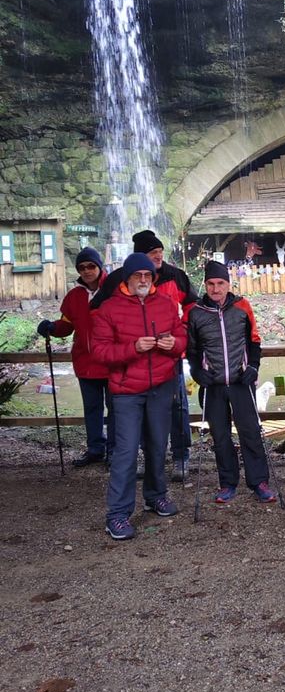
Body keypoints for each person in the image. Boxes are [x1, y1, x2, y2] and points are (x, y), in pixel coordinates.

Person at [91, 253, 187, 541]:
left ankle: (155, 496)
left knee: (158, 445)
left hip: (161, 386)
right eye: (138, 276)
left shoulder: (166, 304)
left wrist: (174, 344)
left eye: (148, 276)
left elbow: (182, 338)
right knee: (126, 451)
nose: (144, 280)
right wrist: (133, 348)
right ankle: (117, 514)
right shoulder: (108, 309)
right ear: (127, 279)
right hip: (126, 392)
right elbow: (100, 352)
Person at [92, 229, 198, 482]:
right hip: (130, 371)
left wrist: (181, 332)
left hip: (167, 363)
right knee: (131, 418)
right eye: (153, 253)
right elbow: (96, 311)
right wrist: (125, 340)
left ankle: (181, 456)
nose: (158, 257)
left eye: (160, 252)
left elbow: (193, 306)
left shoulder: (176, 276)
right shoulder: (117, 280)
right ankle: (139, 459)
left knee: (178, 407)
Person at [186, 261, 276, 504]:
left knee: (251, 432)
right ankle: (227, 483)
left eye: (220, 283)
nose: (216, 289)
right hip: (213, 384)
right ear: (205, 284)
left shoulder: (242, 307)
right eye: (211, 284)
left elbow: (254, 341)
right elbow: (191, 349)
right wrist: (197, 372)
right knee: (221, 436)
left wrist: (253, 367)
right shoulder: (195, 312)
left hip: (240, 381)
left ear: (228, 284)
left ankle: (259, 482)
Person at [37, 247, 115, 467]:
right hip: (86, 362)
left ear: (99, 267)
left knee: (116, 409)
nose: (87, 271)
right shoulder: (74, 296)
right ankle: (95, 449)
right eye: (82, 267)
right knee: (92, 409)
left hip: (112, 361)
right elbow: (67, 325)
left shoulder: (114, 290)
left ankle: (115, 451)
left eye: (91, 266)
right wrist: (52, 327)